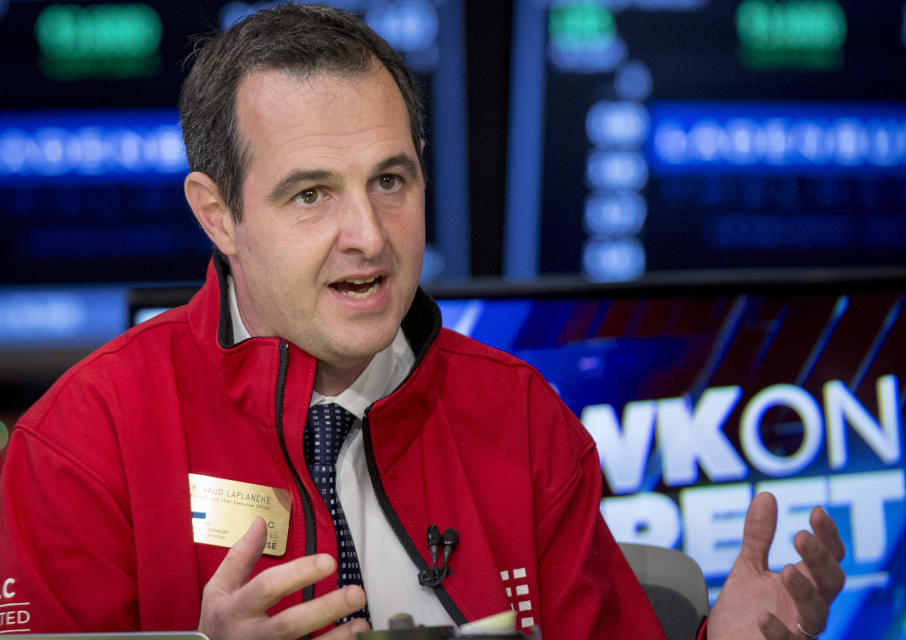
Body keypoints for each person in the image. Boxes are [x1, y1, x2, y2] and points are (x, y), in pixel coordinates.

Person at [0, 4, 846, 639]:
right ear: (217, 214)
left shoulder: (521, 416)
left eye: (391, 181)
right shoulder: (82, 444)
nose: (368, 236)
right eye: (312, 194)